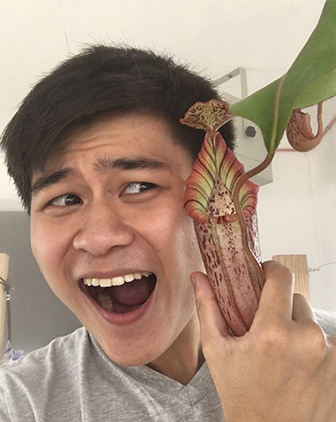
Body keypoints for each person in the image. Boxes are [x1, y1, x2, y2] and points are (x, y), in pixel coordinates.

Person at [0, 44, 336, 421]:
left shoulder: (325, 355)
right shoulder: (19, 404)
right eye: (63, 199)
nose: (98, 237)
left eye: (139, 186)